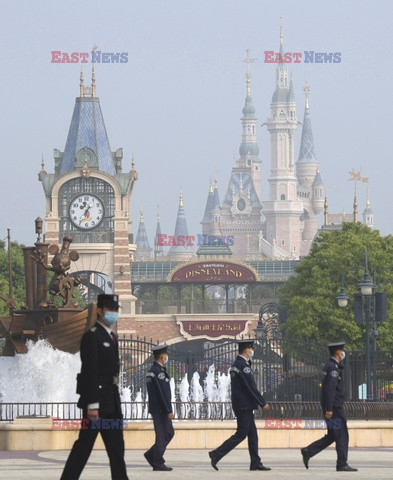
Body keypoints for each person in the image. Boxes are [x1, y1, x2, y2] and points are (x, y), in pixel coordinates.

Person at [60, 294, 129, 480]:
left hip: (112, 402)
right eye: (110, 310)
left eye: (116, 310)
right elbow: (90, 371)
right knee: (83, 448)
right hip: (97, 404)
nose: (113, 314)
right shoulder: (92, 336)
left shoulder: (111, 336)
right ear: (99, 310)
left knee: (116, 450)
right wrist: (92, 405)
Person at [208, 339, 271, 471]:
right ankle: (216, 454)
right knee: (241, 434)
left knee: (252, 435)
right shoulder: (242, 365)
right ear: (246, 350)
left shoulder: (236, 364)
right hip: (244, 406)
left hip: (241, 405)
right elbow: (250, 387)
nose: (252, 351)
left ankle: (255, 462)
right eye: (251, 349)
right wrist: (262, 402)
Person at [301, 341, 357, 472]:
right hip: (335, 408)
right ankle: (342, 464)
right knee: (342, 435)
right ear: (338, 352)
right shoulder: (333, 368)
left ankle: (308, 451)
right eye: (342, 350)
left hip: (332, 407)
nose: (343, 353)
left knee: (333, 435)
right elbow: (330, 390)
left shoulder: (329, 365)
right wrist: (329, 409)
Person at [144, 344, 175, 471]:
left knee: (169, 433)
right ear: (162, 356)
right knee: (162, 435)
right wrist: (168, 410)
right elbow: (162, 393)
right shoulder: (157, 372)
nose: (167, 357)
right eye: (166, 355)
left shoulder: (155, 371)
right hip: (161, 410)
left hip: (158, 408)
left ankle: (151, 455)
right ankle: (157, 462)